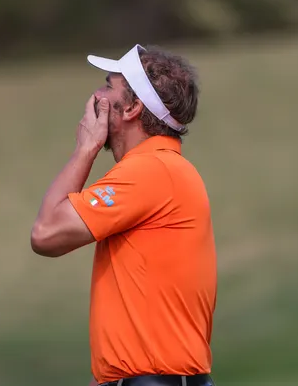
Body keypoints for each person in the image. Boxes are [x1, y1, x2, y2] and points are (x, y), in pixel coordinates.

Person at [30, 44, 217, 386]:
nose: (97, 96)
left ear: (132, 108)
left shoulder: (150, 171)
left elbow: (46, 233)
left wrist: (85, 148)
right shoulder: (165, 169)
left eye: (108, 86)